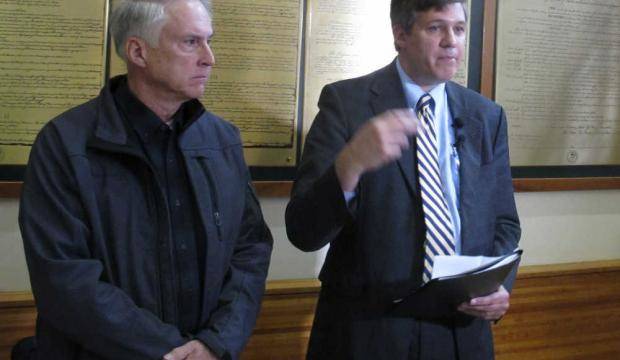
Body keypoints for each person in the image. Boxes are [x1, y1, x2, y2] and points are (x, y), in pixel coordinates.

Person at [18, 0, 273, 359]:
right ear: (138, 51)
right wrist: (170, 351)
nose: (209, 58)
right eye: (190, 42)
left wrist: (218, 342)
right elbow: (64, 279)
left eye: (208, 41)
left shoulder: (222, 141)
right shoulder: (65, 144)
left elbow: (250, 250)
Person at [285, 0, 521, 358]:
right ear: (400, 34)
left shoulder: (486, 117)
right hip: (368, 334)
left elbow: (503, 222)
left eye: (458, 29)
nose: (451, 41)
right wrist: (349, 165)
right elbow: (303, 231)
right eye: (435, 28)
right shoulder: (347, 104)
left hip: (461, 335)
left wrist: (496, 285)